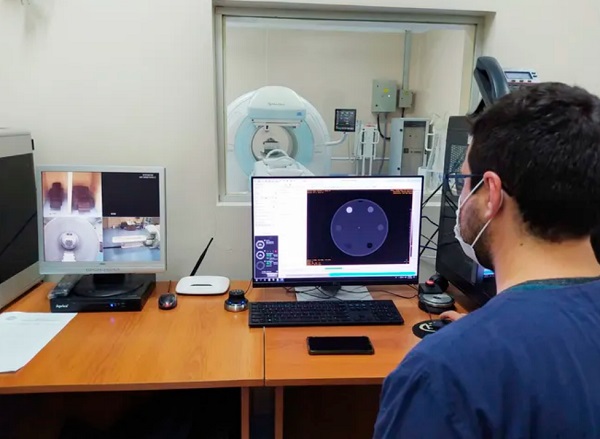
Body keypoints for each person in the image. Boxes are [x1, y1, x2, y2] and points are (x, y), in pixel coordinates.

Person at [374, 82, 600, 439]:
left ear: (491, 193)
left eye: (464, 181)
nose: (461, 196)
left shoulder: (444, 372)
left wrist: (482, 336)